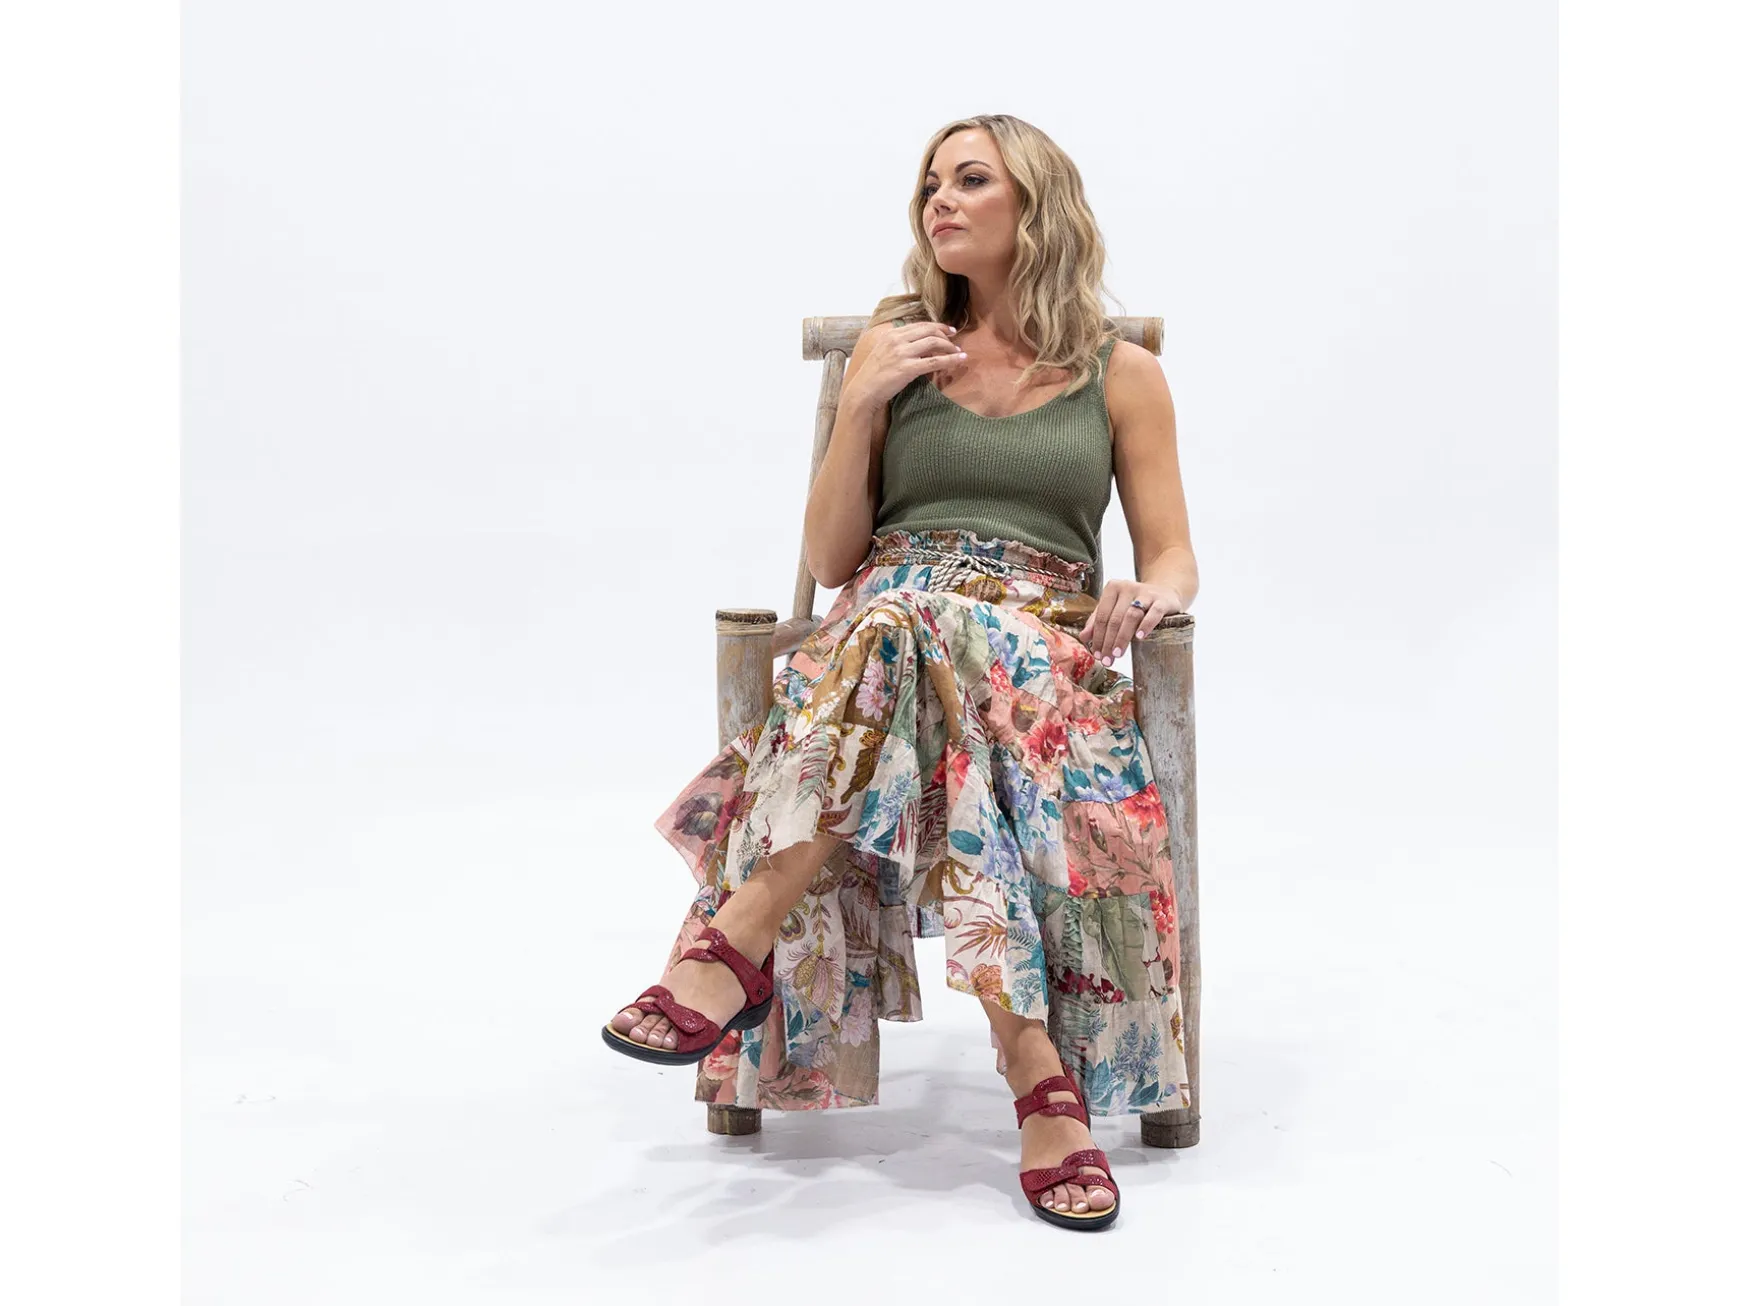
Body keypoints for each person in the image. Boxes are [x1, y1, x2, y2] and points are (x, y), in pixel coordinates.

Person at [602, 114, 1198, 1232]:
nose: (939, 200)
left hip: (1029, 645)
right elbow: (834, 560)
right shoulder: (897, 348)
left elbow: (1172, 551)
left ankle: (735, 942)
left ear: (1036, 205)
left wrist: (1151, 590)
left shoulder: (1123, 375)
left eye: (970, 180)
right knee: (894, 622)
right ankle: (1037, 1076)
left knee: (902, 630)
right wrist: (866, 397)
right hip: (883, 635)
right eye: (931, 183)